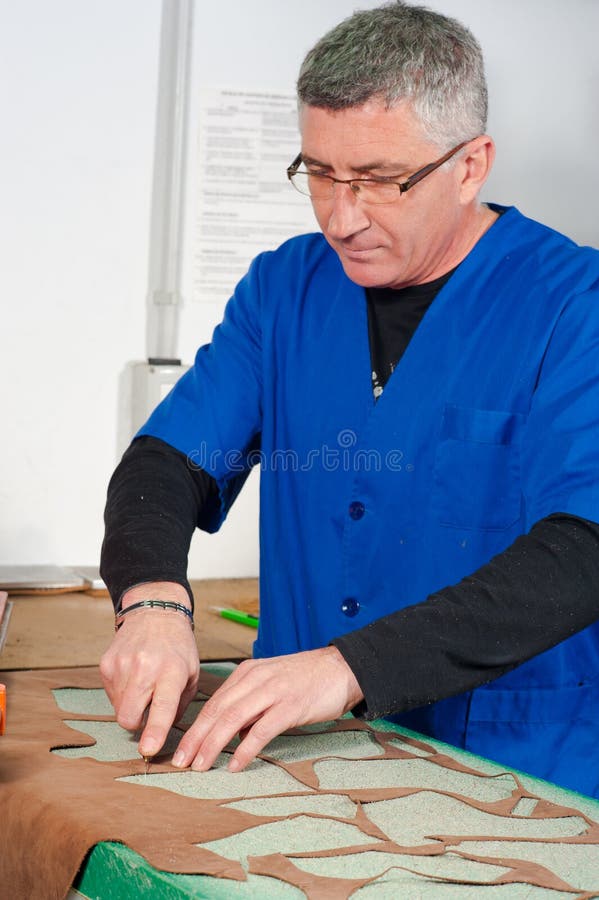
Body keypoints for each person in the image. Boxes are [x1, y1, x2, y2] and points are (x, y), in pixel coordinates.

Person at [100, 1, 599, 797]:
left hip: (517, 766)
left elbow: (583, 550)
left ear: (470, 165)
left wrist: (350, 667)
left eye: (378, 181)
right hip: (296, 755)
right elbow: (167, 460)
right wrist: (152, 602)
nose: (341, 216)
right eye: (319, 174)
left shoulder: (574, 305)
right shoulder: (283, 288)